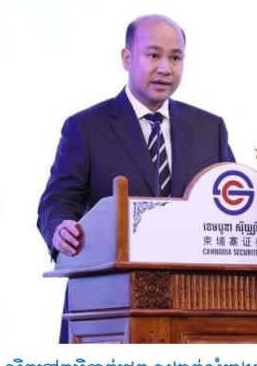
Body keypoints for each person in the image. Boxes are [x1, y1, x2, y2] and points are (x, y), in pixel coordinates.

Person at [37, 14, 236, 259]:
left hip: (195, 276)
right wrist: (60, 228)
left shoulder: (211, 128)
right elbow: (59, 201)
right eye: (153, 56)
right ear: (127, 59)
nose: (165, 69)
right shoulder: (86, 127)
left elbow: (231, 202)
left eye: (175, 58)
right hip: (112, 273)